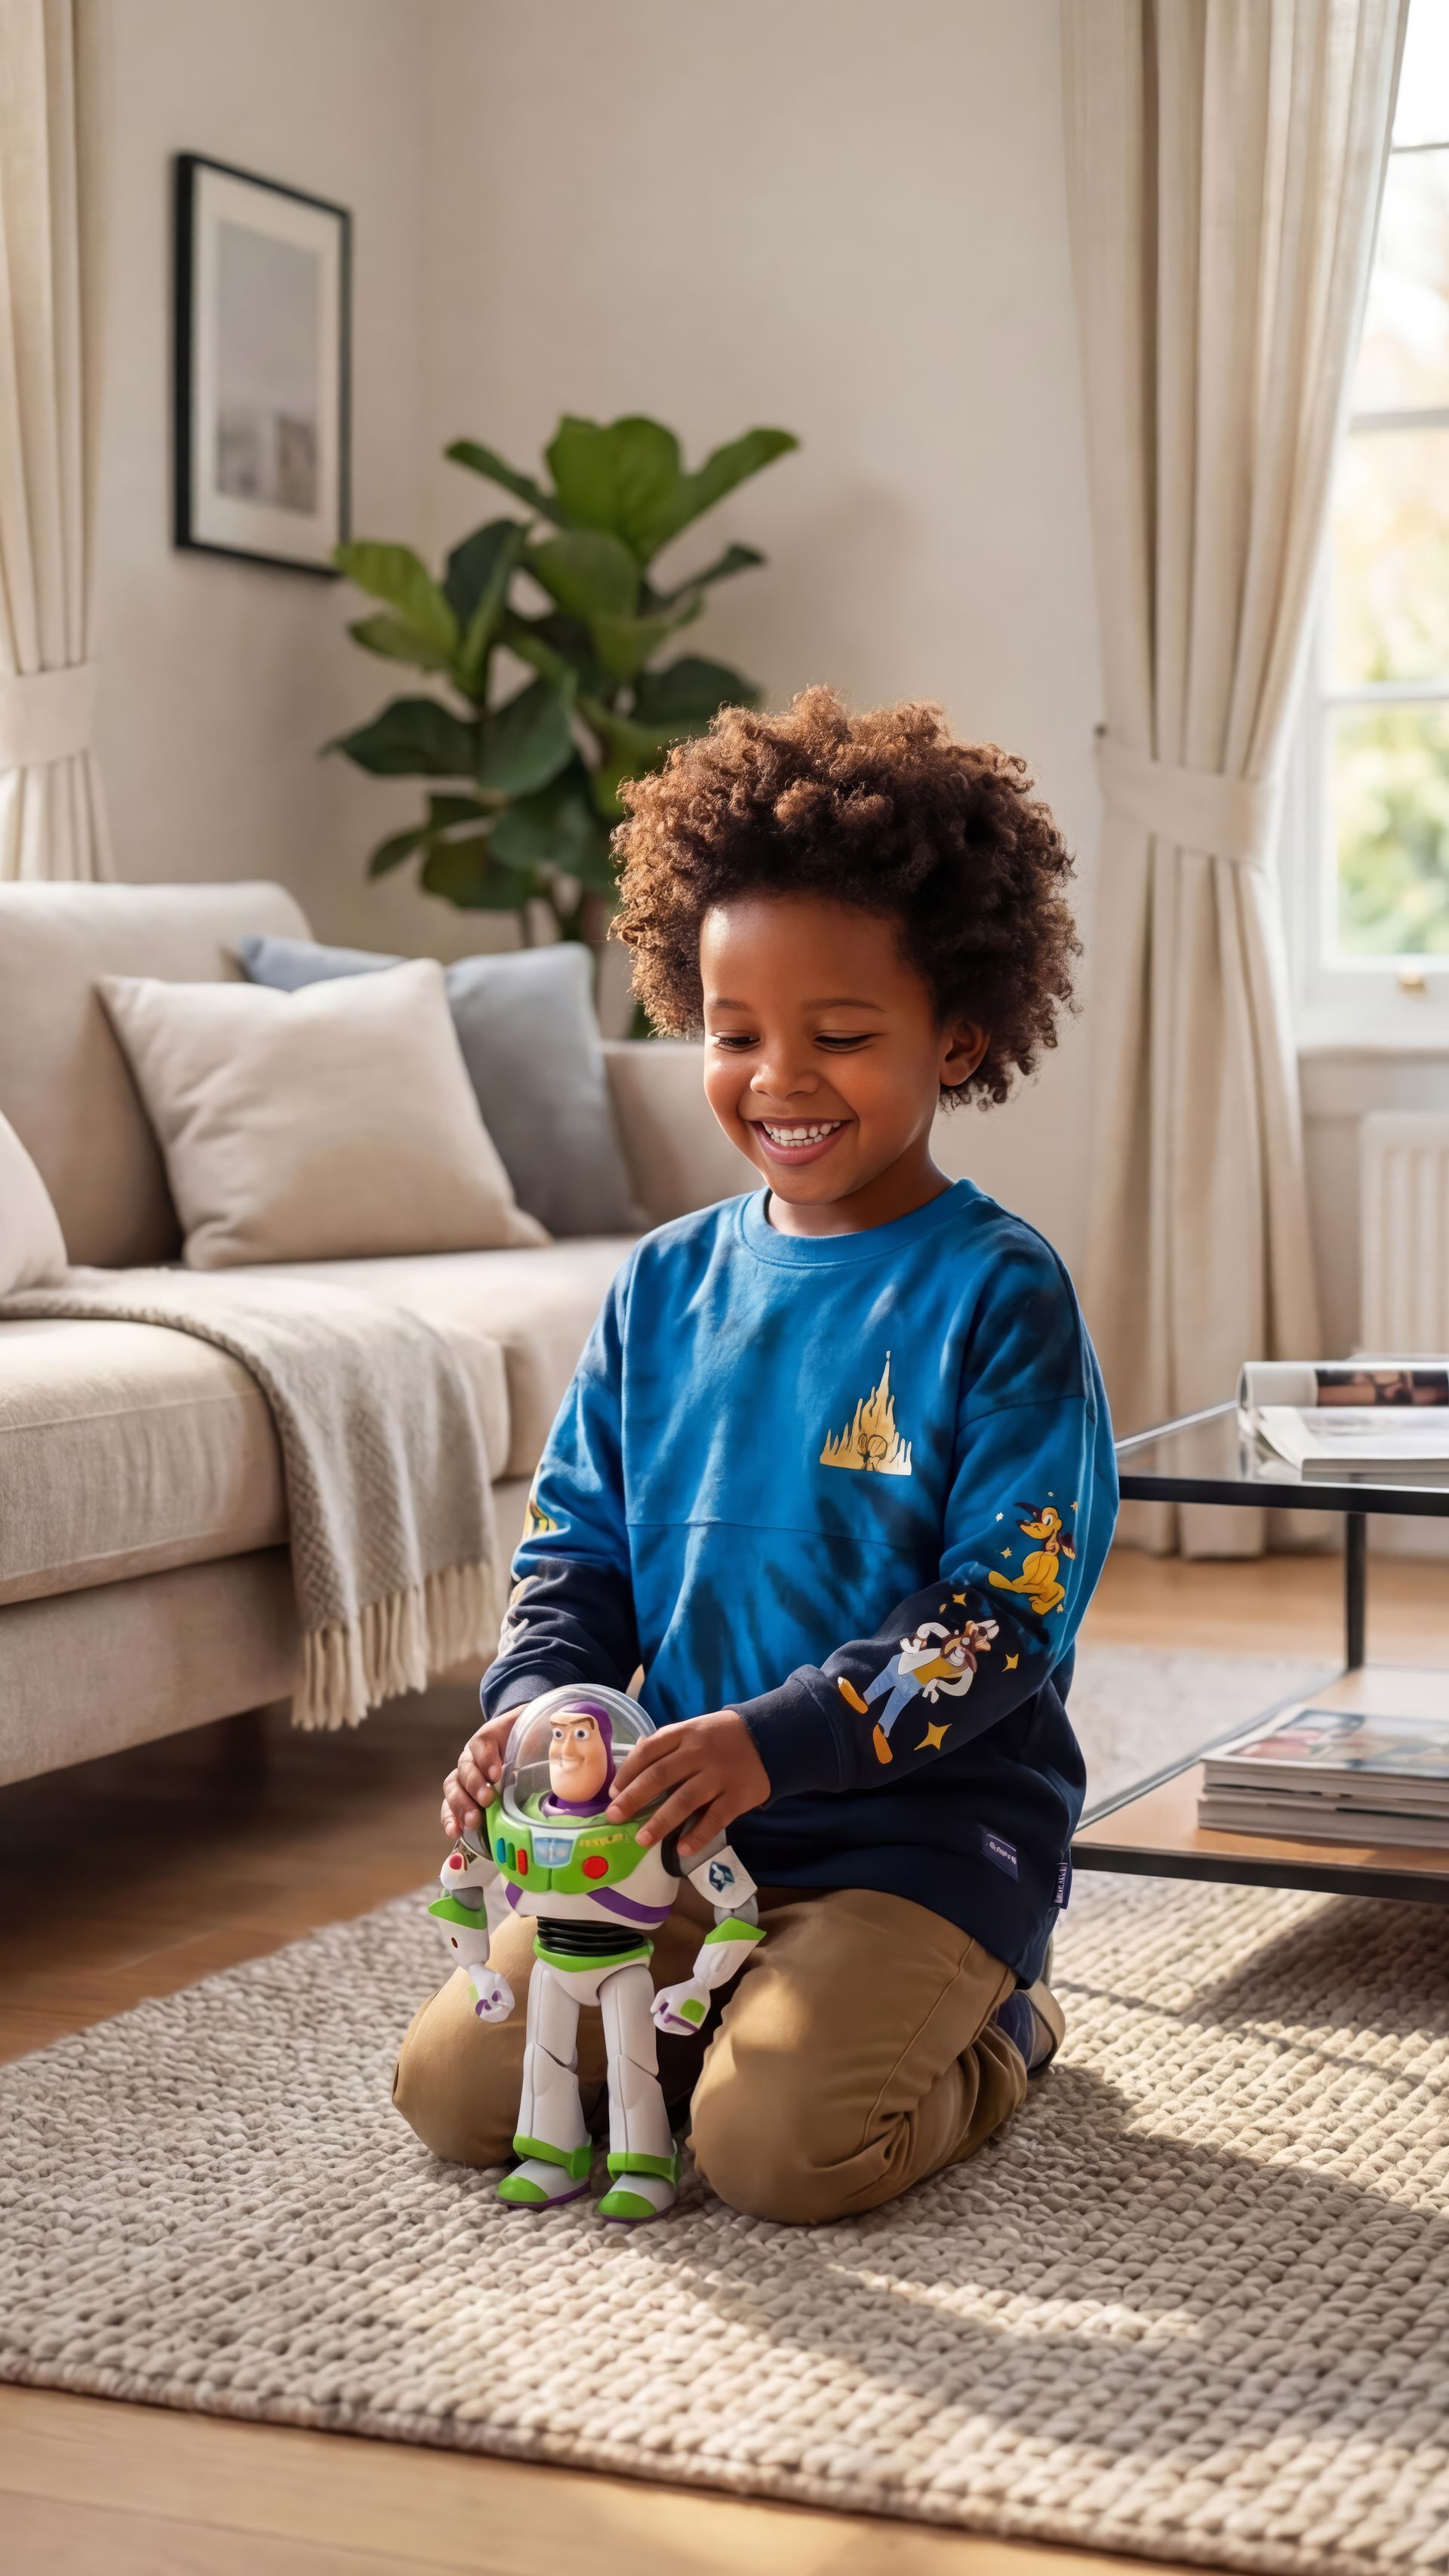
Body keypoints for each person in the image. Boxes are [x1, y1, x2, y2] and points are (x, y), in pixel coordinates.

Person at [394, 686, 1118, 2224]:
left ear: (963, 1031)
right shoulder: (661, 1285)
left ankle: (1001, 2026)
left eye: (841, 1036)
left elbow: (999, 1620)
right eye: (734, 1035)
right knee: (457, 2096)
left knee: (774, 2154)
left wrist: (773, 1741)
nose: (778, 1080)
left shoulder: (1000, 1293)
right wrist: (530, 1723)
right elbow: (573, 1557)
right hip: (658, 1837)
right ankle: (747, 2006)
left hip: (915, 1841)